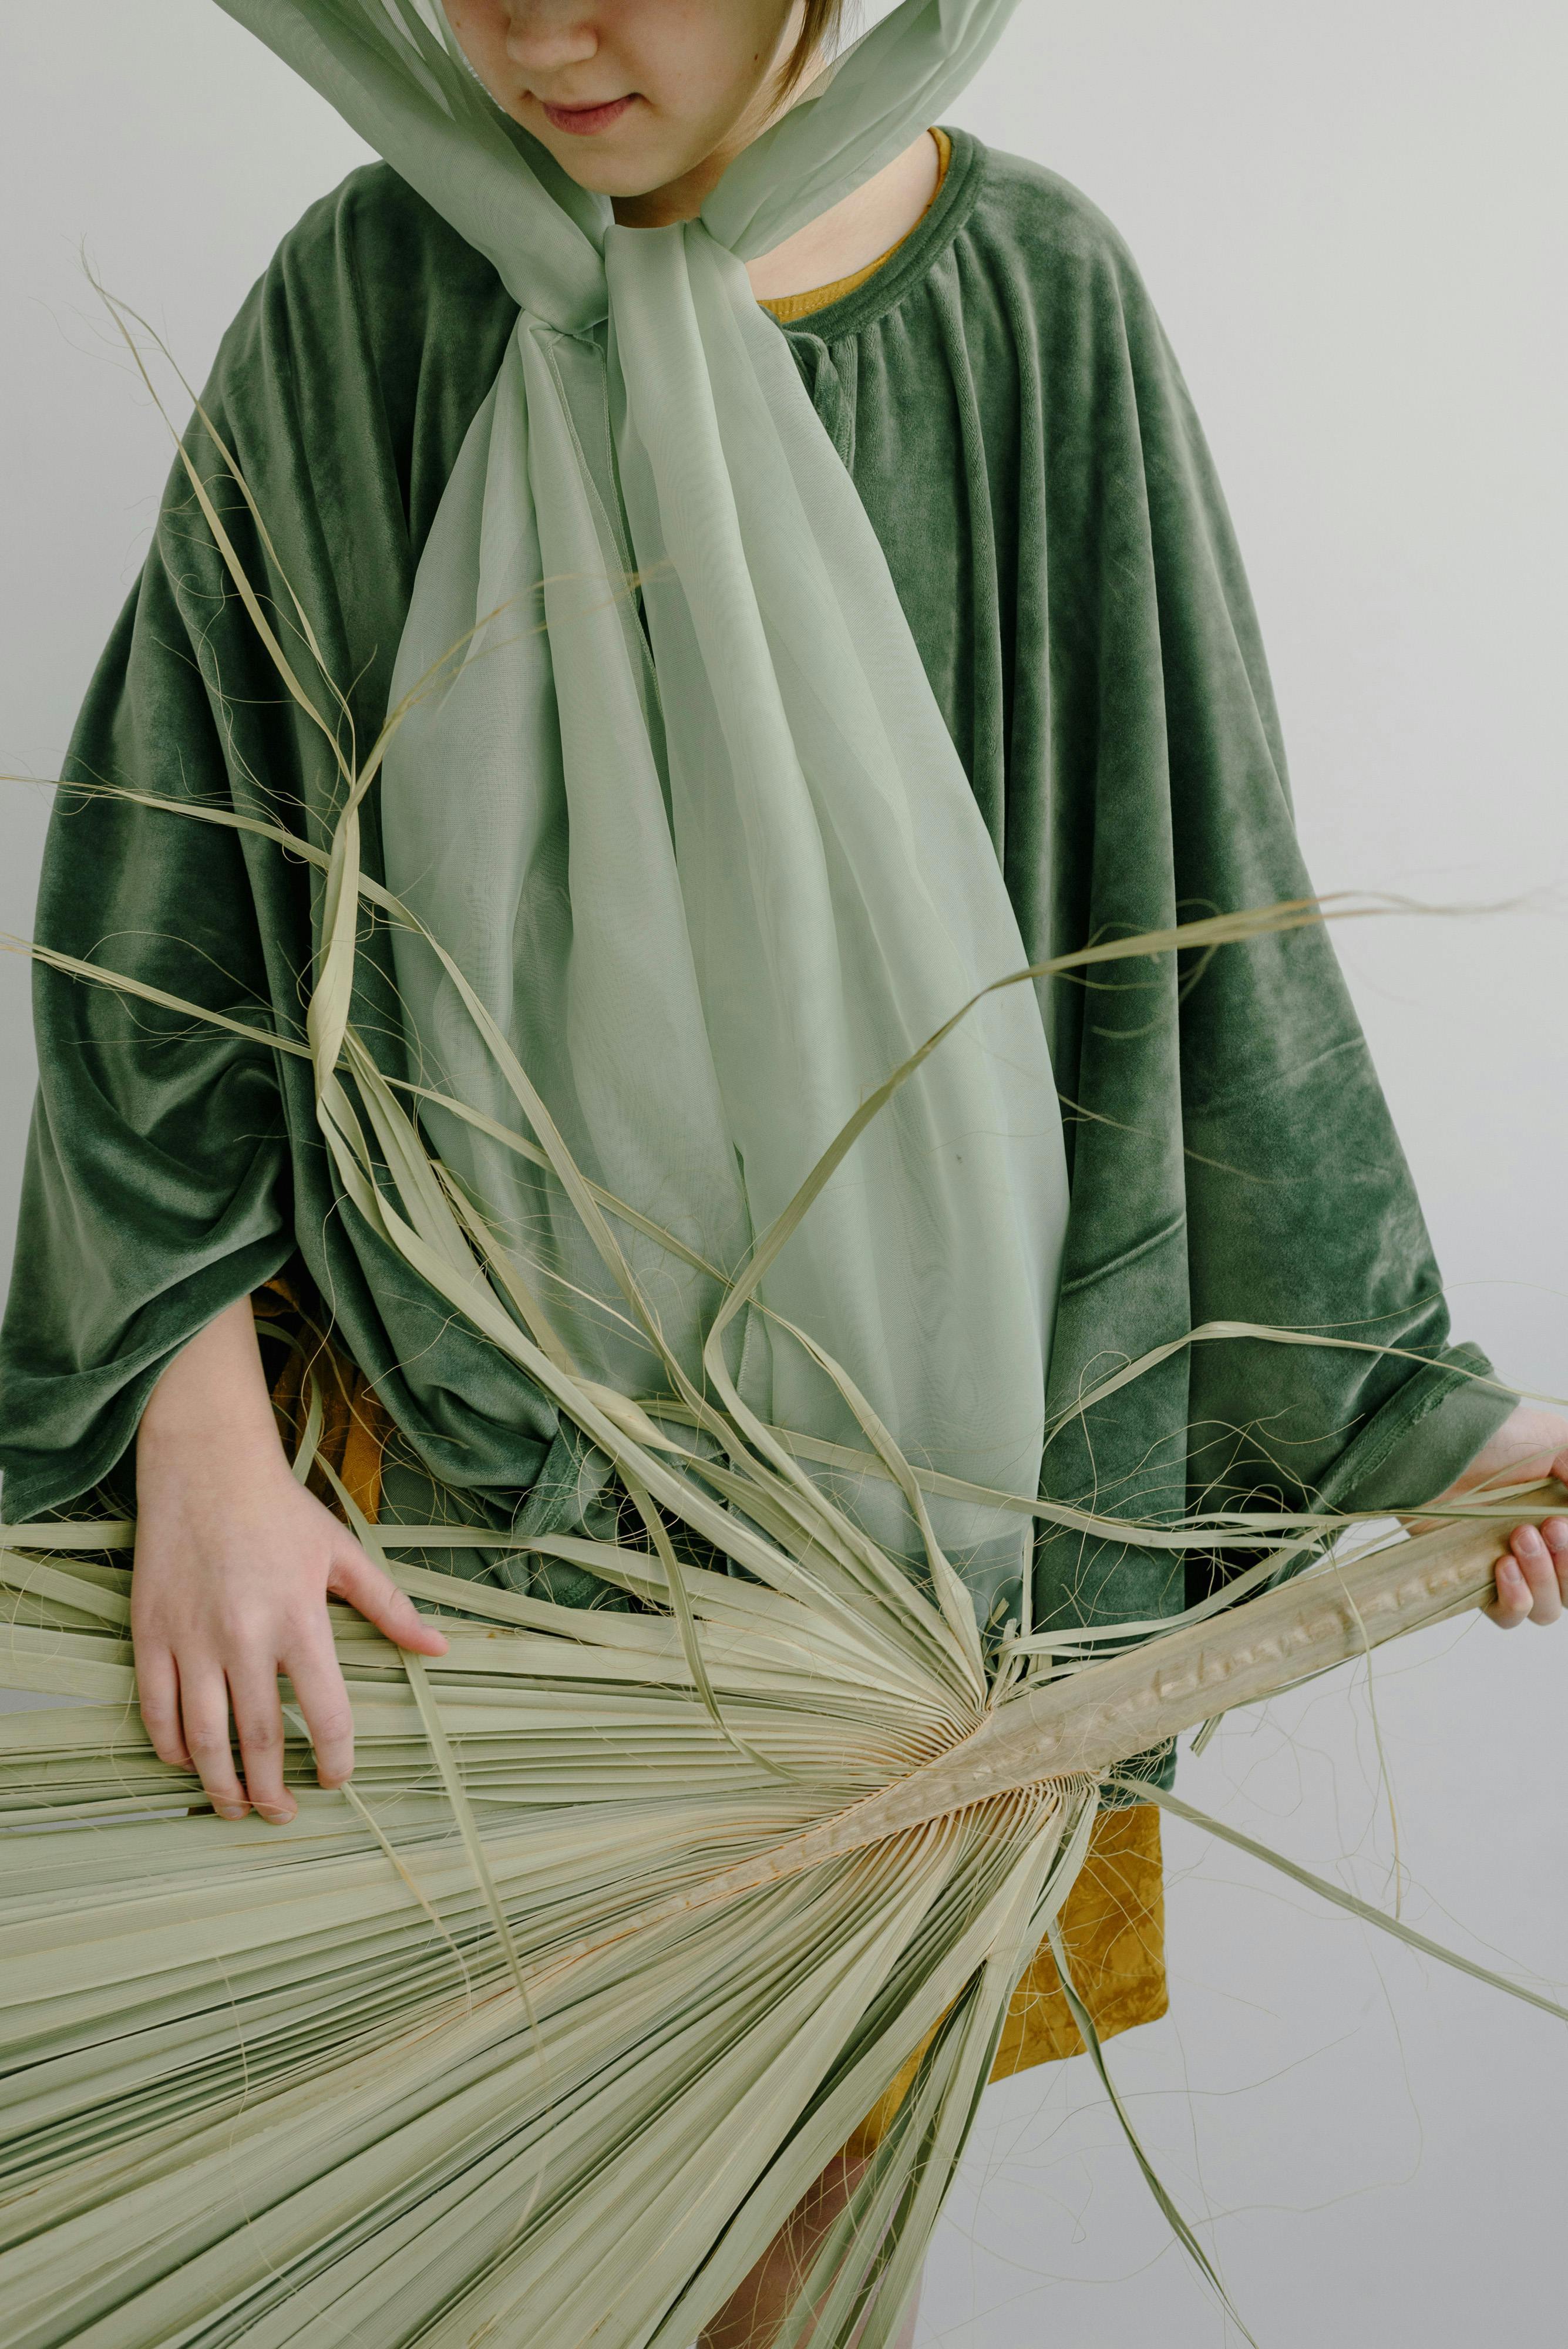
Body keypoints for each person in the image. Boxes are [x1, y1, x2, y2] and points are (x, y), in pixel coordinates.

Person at [3, 4, 1564, 2343]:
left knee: (784, 2252)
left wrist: (1427, 1423)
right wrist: (197, 1431)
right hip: (434, 1553)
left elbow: (1189, 949)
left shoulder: (1028, 302)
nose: (532, 30)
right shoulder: (369, 296)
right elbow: (171, 919)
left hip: (905, 1600)